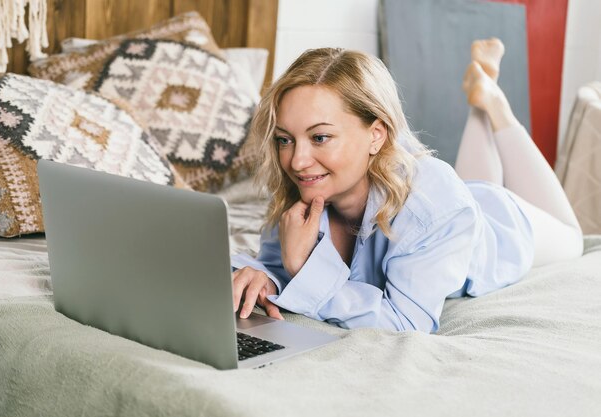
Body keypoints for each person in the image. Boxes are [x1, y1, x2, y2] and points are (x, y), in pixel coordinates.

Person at [230, 39, 583, 332]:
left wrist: (304, 272)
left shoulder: (433, 207)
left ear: (376, 135)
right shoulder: (307, 190)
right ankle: (482, 91)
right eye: (284, 140)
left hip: (501, 224)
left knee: (574, 238)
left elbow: (407, 322)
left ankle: (495, 105)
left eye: (320, 137)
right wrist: (264, 276)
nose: (296, 161)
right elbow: (277, 262)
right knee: (464, 184)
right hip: (455, 199)